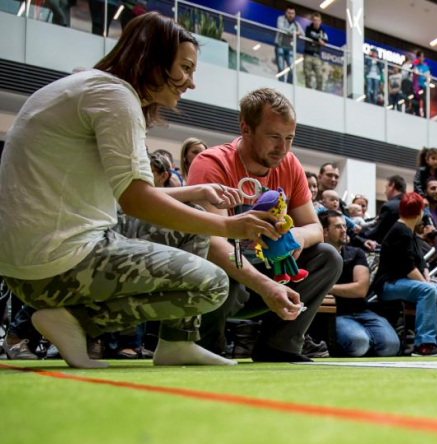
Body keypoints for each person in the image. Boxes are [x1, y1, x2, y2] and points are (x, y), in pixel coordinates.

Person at [0, 13, 276, 369]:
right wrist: (229, 227)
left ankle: (177, 343)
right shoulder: (116, 97)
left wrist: (196, 193)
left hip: (35, 257)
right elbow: (135, 201)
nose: (190, 83)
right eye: (185, 68)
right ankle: (74, 319)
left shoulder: (93, 88)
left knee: (194, 229)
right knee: (213, 284)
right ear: (151, 59)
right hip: (55, 265)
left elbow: (126, 196)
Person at [187, 88, 343, 362]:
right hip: (228, 276)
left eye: (289, 138)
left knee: (328, 257)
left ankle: (279, 345)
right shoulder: (211, 164)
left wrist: (296, 236)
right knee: (222, 272)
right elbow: (210, 243)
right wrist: (265, 286)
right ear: (246, 128)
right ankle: (205, 345)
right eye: (274, 137)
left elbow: (315, 229)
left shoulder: (289, 164)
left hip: (271, 272)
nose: (283, 148)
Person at [372, 192, 437, 357]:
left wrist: (426, 277)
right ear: (419, 212)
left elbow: (420, 262)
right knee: (428, 290)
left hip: (403, 282)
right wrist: (426, 283)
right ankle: (424, 344)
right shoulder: (399, 231)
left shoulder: (409, 231)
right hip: (388, 284)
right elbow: (408, 268)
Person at [320, 210, 400, 357]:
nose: (344, 230)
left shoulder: (356, 253)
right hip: (336, 314)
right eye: (338, 227)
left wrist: (327, 288)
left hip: (362, 310)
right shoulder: (317, 255)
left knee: (391, 346)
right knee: (359, 343)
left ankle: (367, 341)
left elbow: (360, 289)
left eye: (344, 226)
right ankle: (366, 341)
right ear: (325, 232)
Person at [357, 175, 405, 247]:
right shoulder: (407, 204)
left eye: (386, 187)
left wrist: (359, 234)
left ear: (392, 186)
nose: (385, 192)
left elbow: (378, 232)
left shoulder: (389, 206)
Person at [413, 147, 437, 218]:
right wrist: (422, 197)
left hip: (436, 200)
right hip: (424, 198)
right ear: (427, 159)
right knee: (425, 207)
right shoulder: (421, 171)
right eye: (433, 158)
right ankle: (428, 222)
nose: (436, 161)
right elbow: (417, 185)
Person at [274, 6, 303, 85]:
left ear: (294, 14)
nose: (291, 15)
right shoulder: (281, 19)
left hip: (290, 48)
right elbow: (281, 28)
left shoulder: (296, 24)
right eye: (289, 13)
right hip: (280, 45)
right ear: (286, 13)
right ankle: (281, 83)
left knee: (292, 67)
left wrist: (297, 33)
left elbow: (302, 33)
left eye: (292, 13)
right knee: (281, 67)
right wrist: (293, 32)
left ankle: (289, 84)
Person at [303, 13, 328, 92]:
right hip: (308, 54)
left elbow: (326, 40)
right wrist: (318, 40)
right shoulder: (308, 28)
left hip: (316, 55)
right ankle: (308, 90)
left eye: (318, 20)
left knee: (319, 75)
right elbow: (308, 36)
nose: (316, 22)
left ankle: (319, 91)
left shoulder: (322, 30)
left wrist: (319, 41)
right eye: (315, 20)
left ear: (320, 21)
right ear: (312, 21)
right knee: (307, 74)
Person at [412, 51, 430, 117]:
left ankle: (425, 116)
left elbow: (427, 77)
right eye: (420, 57)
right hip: (417, 87)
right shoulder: (415, 66)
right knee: (416, 101)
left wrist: (421, 75)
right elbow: (415, 75)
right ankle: (416, 113)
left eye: (422, 57)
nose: (422, 58)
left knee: (425, 101)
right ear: (417, 58)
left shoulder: (426, 67)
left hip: (423, 87)